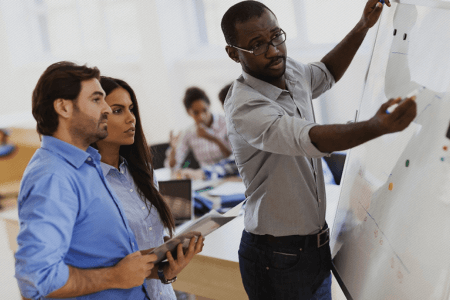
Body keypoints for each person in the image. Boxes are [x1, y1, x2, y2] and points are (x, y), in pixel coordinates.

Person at [221, 1, 416, 299]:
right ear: (233, 53)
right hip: (275, 257)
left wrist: (363, 25)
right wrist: (376, 126)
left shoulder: (291, 71)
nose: (273, 50)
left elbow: (326, 72)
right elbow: (308, 138)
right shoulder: (245, 106)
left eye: (276, 36)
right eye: (257, 45)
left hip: (313, 248)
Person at [15, 61, 157, 300]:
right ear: (64, 107)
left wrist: (154, 266)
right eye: (96, 99)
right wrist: (114, 277)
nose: (106, 109)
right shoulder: (53, 177)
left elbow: (96, 257)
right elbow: (36, 279)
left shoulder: (87, 165)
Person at [94, 76, 204, 300]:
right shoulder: (89, 183)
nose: (131, 118)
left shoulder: (142, 172)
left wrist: (173, 251)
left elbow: (150, 238)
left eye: (131, 109)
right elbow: (102, 262)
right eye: (118, 110)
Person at [165, 87, 231, 171]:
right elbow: (172, 166)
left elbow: (234, 157)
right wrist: (173, 150)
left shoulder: (225, 123)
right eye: (196, 113)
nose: (201, 117)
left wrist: (213, 139)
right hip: (206, 177)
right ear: (188, 112)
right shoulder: (188, 132)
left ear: (209, 105)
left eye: (204, 110)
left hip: (229, 173)